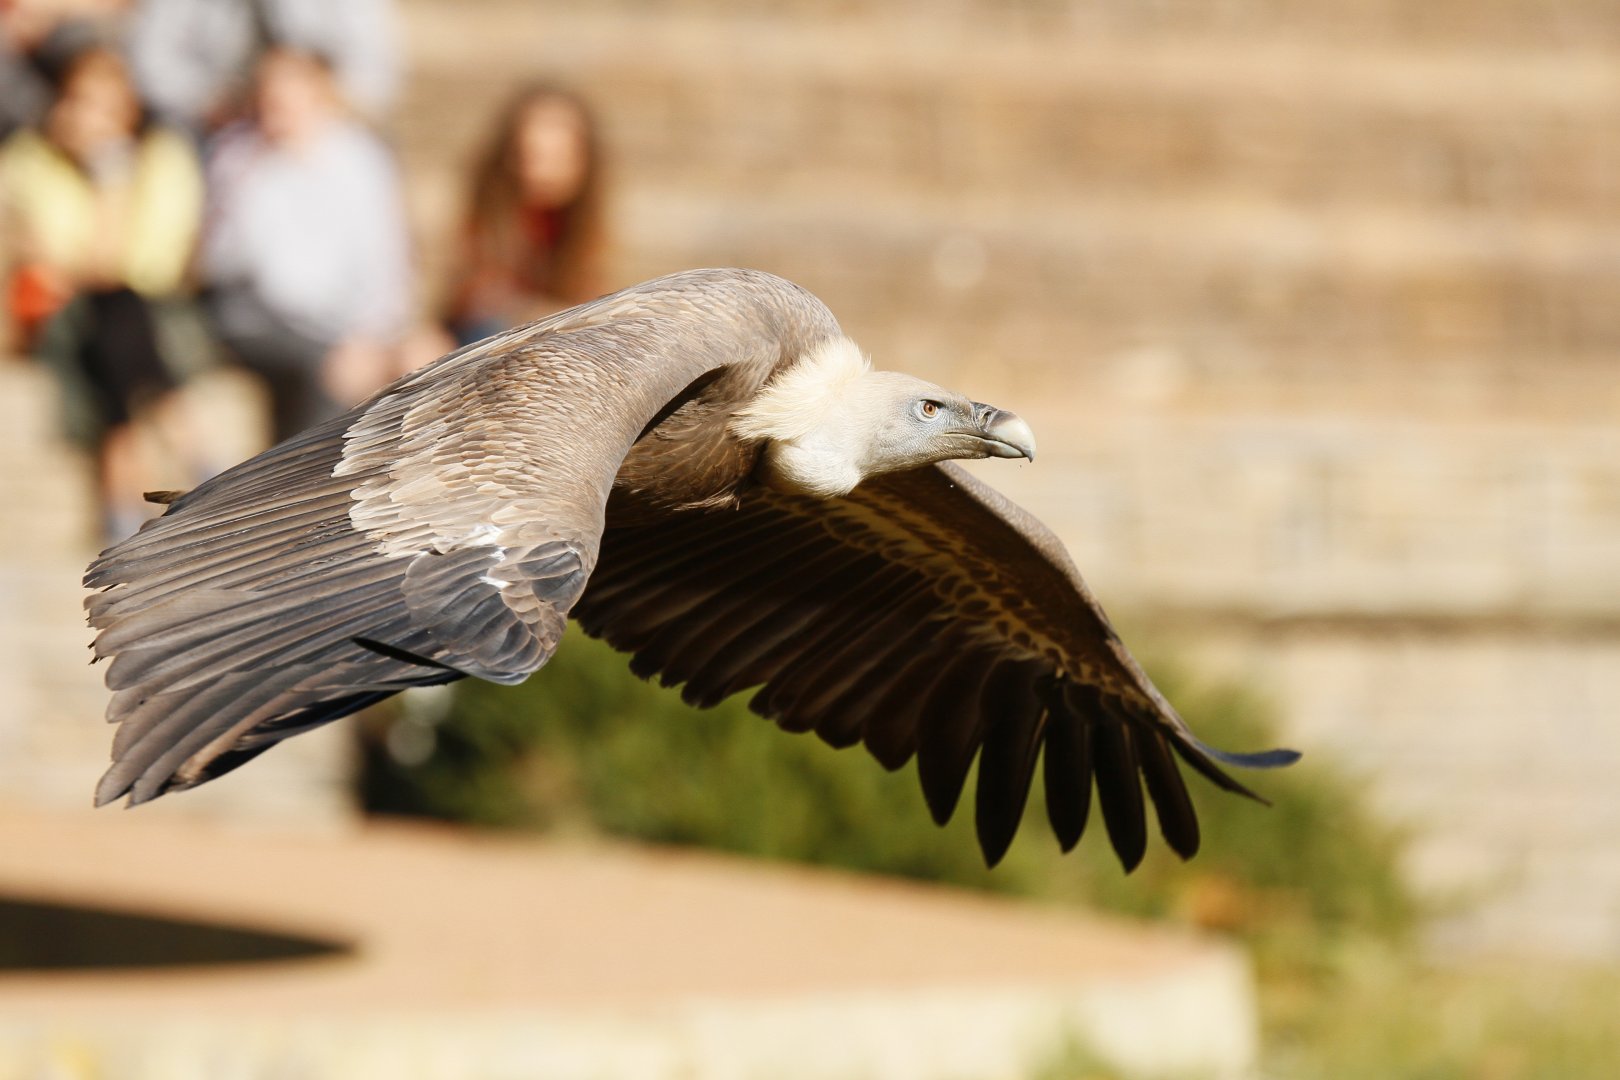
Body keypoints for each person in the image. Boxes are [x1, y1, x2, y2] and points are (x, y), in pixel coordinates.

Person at [0, 36, 206, 540]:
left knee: (118, 319)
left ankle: (120, 507)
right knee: (114, 319)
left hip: (142, 307)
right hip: (65, 314)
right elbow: (48, 260)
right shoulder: (30, 159)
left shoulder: (160, 157)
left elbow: (136, 263)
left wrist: (108, 175)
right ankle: (199, 458)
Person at [199, 43, 416, 440]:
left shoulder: (361, 159)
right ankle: (300, 489)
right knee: (325, 370)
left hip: (337, 322)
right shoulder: (236, 156)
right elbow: (230, 262)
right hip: (254, 317)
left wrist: (369, 334)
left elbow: (383, 259)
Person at [443, 84, 607, 345]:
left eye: (557, 157)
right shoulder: (495, 222)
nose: (541, 173)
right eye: (532, 156)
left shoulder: (579, 233)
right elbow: (479, 303)